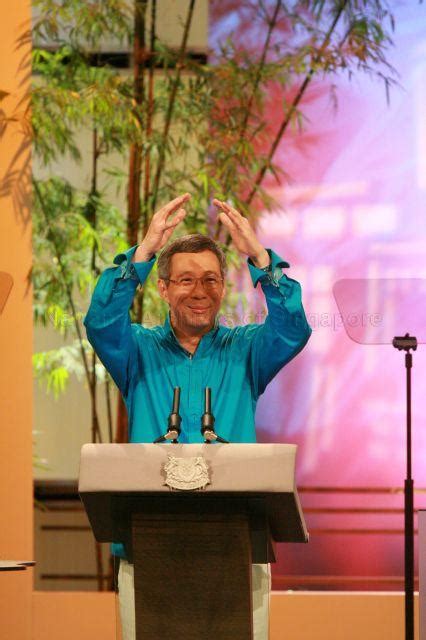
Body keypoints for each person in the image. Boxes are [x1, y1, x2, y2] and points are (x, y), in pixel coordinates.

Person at [84, 193, 312, 640]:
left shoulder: (246, 350)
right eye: (185, 280)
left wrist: (259, 258)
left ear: (223, 288)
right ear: (164, 288)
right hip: (149, 541)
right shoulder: (136, 350)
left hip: (236, 539)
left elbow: (293, 328)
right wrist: (144, 253)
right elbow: (100, 321)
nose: (199, 291)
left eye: (210, 279)